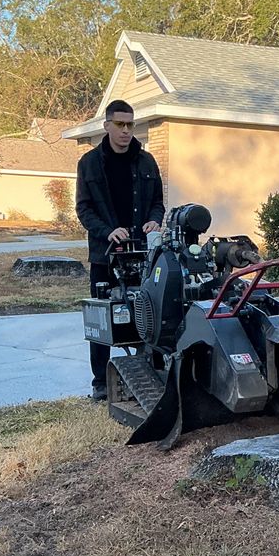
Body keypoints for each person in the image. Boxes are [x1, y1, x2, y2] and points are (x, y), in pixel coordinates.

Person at [75, 100, 165, 400]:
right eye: (119, 125)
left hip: (142, 256)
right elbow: (84, 209)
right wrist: (107, 232)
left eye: (130, 125)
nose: (126, 131)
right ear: (107, 126)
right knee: (102, 318)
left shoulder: (147, 161)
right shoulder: (88, 163)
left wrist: (154, 221)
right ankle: (101, 384)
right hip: (105, 255)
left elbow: (157, 203)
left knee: (147, 314)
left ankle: (147, 370)